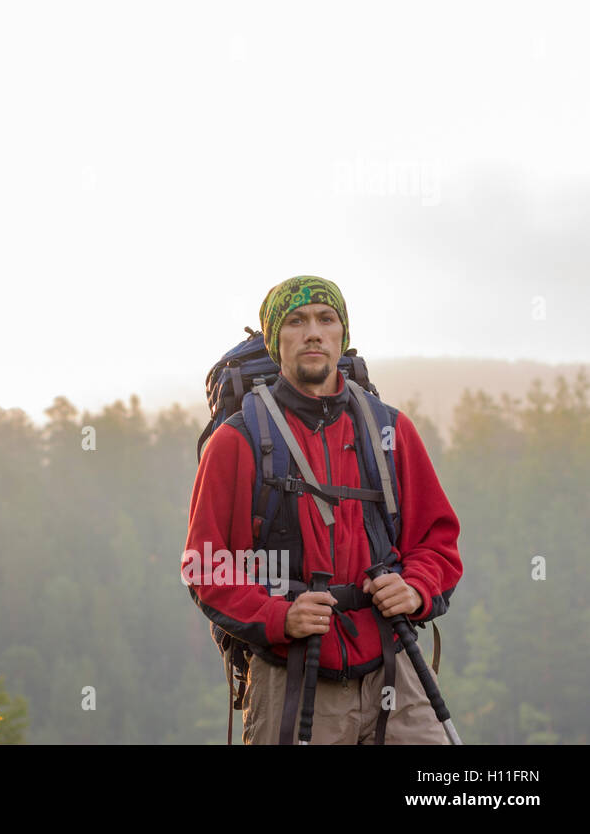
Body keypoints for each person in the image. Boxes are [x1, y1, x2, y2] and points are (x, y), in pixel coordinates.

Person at [184, 275, 463, 744]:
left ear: (342, 336)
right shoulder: (238, 441)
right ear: (276, 341)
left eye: (325, 319)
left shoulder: (391, 430)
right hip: (292, 671)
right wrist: (279, 616)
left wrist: (414, 589)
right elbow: (206, 565)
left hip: (395, 664)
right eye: (296, 321)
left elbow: (437, 541)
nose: (313, 331)